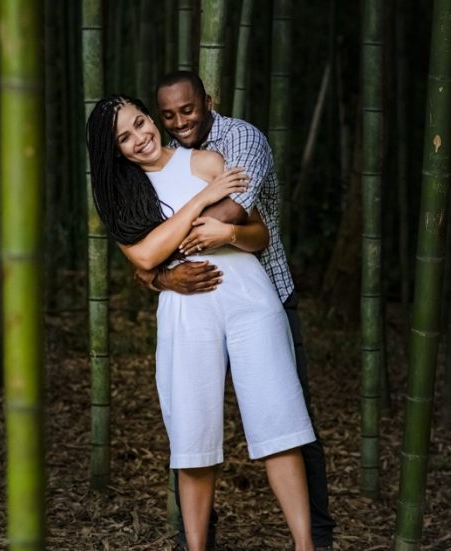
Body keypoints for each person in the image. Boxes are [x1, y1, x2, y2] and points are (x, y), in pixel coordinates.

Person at [86, 93, 317, 551]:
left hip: (251, 299)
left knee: (280, 425)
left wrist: (227, 231)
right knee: (193, 438)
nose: (140, 138)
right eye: (124, 138)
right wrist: (205, 202)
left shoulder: (207, 161)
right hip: (187, 312)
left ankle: (306, 546)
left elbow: (257, 234)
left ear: (150, 117)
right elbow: (147, 255)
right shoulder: (124, 199)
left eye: (140, 123)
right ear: (115, 150)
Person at [141, 70, 335, 550]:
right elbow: (139, 248)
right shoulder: (165, 161)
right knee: (190, 427)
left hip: (264, 290)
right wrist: (159, 271)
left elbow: (235, 211)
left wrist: (166, 245)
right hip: (194, 304)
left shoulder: (242, 137)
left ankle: (317, 540)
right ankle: (195, 540)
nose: (179, 122)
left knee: (291, 421)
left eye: (188, 110)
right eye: (168, 115)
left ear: (209, 100)